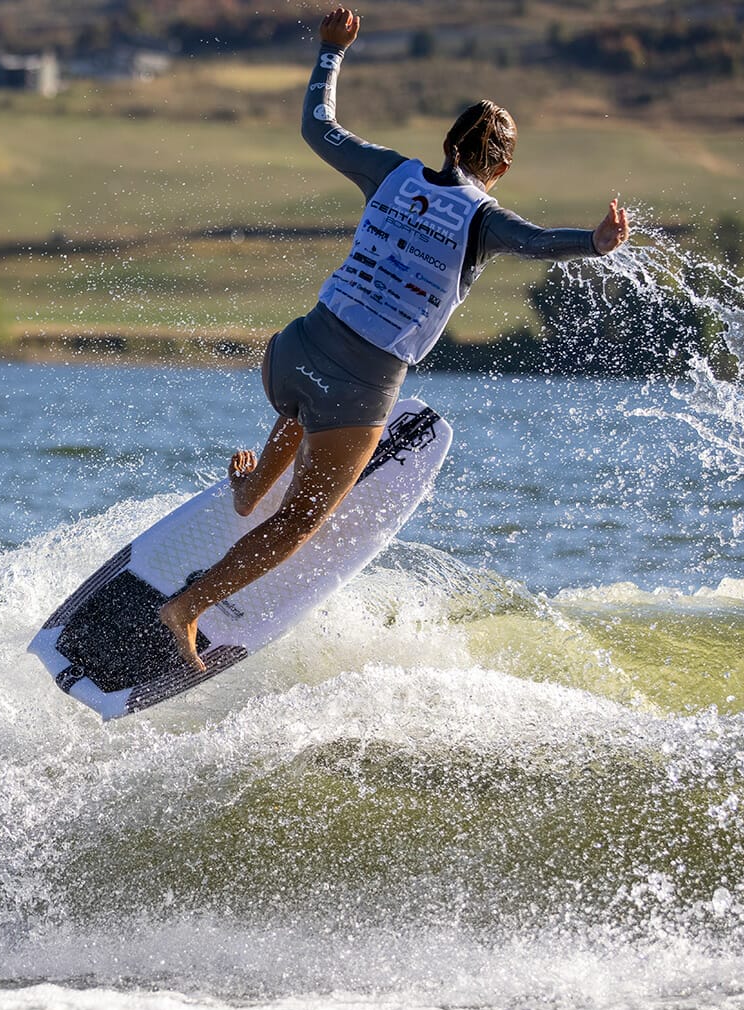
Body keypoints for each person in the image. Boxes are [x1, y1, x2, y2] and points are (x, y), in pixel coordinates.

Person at [158, 5, 632, 671]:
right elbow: (536, 242)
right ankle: (186, 608)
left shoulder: (393, 173)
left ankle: (250, 486)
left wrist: (331, 51)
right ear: (499, 169)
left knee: (302, 407)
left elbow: (316, 126)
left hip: (288, 356)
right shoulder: (482, 219)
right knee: (299, 522)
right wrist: (596, 243)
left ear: (448, 145)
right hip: (357, 393)